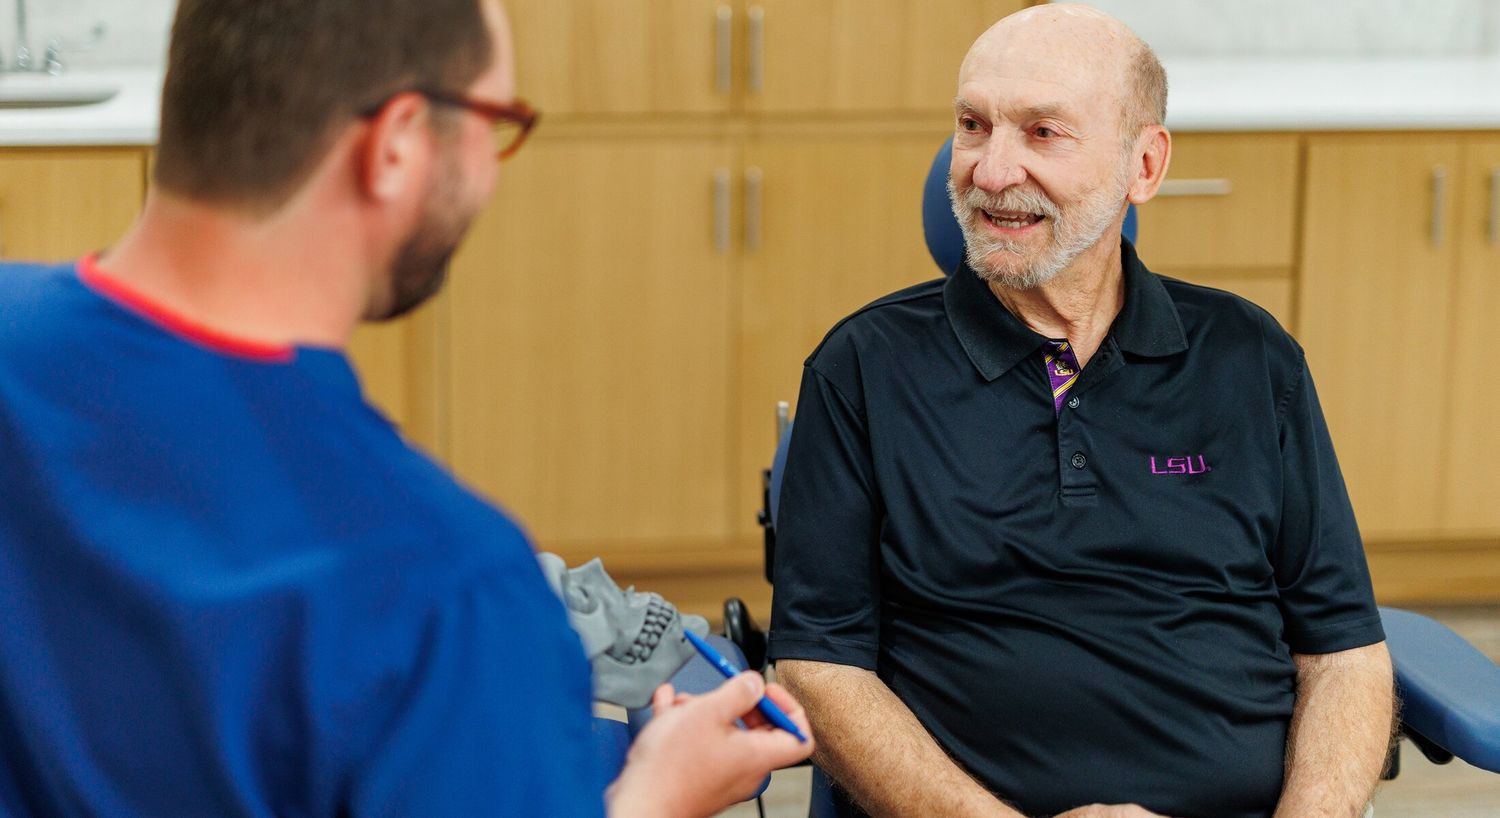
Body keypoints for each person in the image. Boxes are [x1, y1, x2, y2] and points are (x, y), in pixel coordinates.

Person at [0, 0, 812, 815]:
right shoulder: (448, 590)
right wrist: (659, 796)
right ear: (393, 146)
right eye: (497, 121)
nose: (492, 170)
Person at [767, 6, 1392, 818]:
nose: (990, 172)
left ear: (1145, 164)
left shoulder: (1250, 356)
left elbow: (1343, 649)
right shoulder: (864, 367)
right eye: (972, 125)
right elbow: (820, 667)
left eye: (1042, 133)